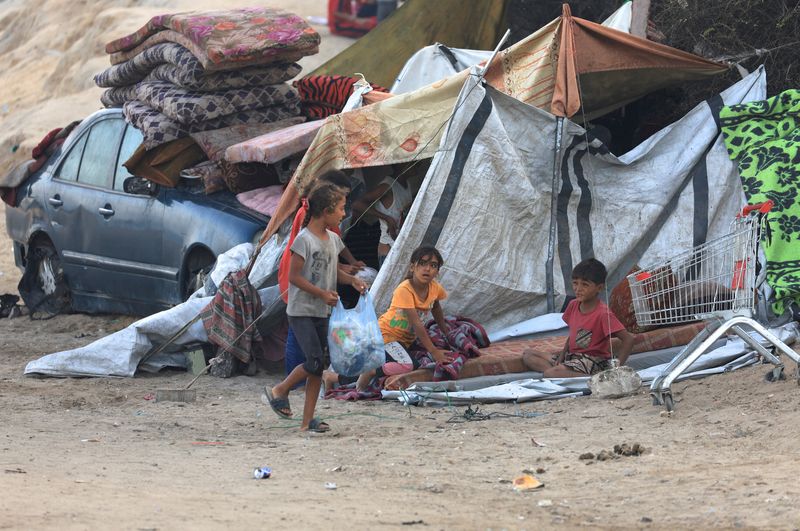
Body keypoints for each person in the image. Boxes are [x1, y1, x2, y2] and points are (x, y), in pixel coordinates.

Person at [266, 183, 367, 432]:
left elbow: (334, 272)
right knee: (313, 362)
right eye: (341, 209)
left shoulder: (332, 239)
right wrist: (322, 293)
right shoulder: (304, 240)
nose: (344, 214)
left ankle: (306, 421)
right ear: (326, 210)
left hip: (322, 311)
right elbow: (294, 277)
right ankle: (279, 390)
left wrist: (352, 280)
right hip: (302, 311)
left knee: (318, 366)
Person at [279, 170, 366, 380]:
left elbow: (333, 246)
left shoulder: (329, 226)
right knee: (299, 339)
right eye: (341, 203)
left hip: (319, 292)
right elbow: (310, 255)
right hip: (302, 284)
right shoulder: (307, 222)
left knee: (315, 355)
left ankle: (305, 391)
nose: (344, 210)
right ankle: (289, 383)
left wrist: (349, 268)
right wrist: (340, 268)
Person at [354, 245, 449, 391]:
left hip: (402, 341)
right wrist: (433, 351)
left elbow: (435, 307)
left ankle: (333, 377)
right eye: (422, 263)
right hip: (385, 336)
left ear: (437, 271)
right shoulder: (405, 289)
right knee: (409, 365)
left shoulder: (435, 288)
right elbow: (416, 323)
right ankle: (371, 371)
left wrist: (446, 332)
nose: (427, 268)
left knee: (412, 363)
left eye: (433, 265)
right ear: (412, 267)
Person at [522, 258, 634, 378]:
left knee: (549, 373)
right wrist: (561, 356)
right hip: (572, 357)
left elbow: (629, 339)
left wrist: (616, 369)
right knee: (528, 355)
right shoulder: (573, 305)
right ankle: (562, 372)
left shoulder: (602, 314)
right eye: (575, 283)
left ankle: (594, 378)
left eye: (585, 284)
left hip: (592, 361)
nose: (578, 289)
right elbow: (573, 335)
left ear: (599, 288)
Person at [351, 169, 413, 267]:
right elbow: (357, 204)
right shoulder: (387, 187)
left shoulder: (407, 184)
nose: (418, 168)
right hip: (388, 249)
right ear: (404, 165)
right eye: (416, 165)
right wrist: (386, 218)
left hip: (402, 247)